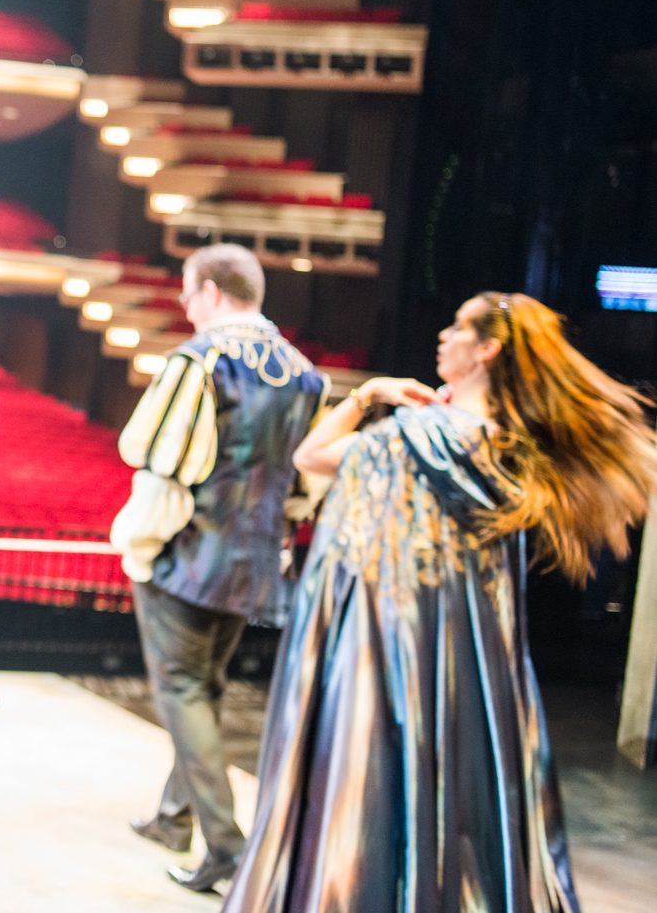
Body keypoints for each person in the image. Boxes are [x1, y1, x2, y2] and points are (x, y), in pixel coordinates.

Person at [223, 292, 657, 913]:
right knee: (462, 787)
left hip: (385, 646)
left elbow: (310, 457)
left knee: (374, 781)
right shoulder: (514, 450)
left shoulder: (408, 439)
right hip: (472, 658)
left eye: (457, 327)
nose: (443, 336)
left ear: (487, 349)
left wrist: (369, 395)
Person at [110, 243, 329, 892]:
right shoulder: (306, 374)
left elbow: (152, 456)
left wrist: (139, 541)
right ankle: (174, 816)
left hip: (186, 555)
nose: (183, 302)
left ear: (210, 291)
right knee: (202, 689)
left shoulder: (199, 359)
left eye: (186, 289)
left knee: (182, 690)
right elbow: (301, 480)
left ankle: (228, 849)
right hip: (257, 561)